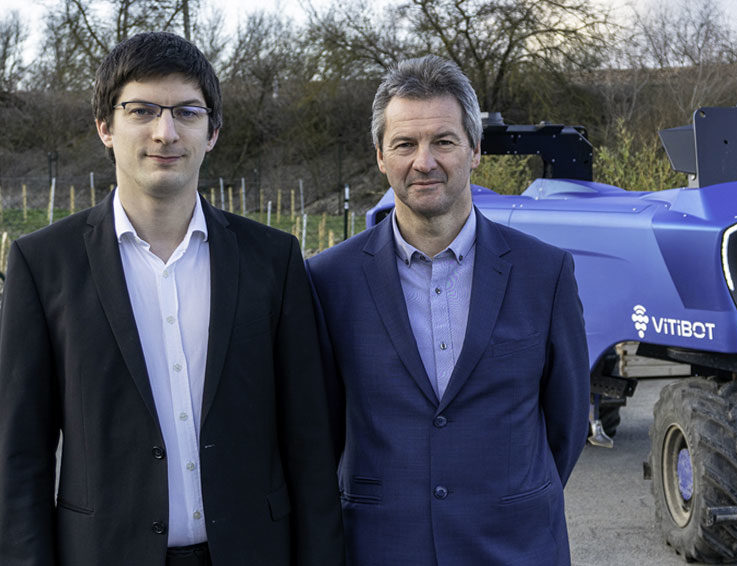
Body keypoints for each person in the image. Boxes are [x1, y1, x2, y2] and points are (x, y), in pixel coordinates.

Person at [0, 32, 343, 566]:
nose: (165, 132)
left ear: (212, 133)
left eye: (186, 112)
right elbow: (20, 456)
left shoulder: (273, 260)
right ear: (105, 127)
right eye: (141, 110)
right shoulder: (43, 264)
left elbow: (311, 443)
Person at [306, 54, 589, 565]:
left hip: (515, 547)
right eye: (405, 144)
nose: (424, 161)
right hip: (380, 547)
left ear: (475, 150)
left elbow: (564, 427)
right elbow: (319, 432)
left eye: (443, 141)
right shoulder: (328, 281)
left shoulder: (544, 274)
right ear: (380, 156)